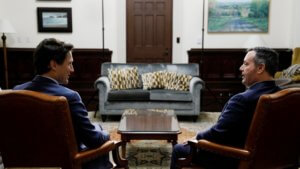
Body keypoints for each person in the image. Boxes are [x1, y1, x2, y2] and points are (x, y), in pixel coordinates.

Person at [170, 47, 280, 169]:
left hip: (235, 158)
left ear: (260, 68)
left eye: (245, 64)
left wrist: (197, 137)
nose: (241, 68)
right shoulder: (285, 96)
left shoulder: (242, 100)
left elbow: (218, 132)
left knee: (178, 149)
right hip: (272, 159)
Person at [13, 38, 112, 169]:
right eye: (69, 64)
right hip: (65, 163)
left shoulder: (15, 93)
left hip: (25, 162)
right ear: (53, 65)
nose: (72, 69)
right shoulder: (70, 97)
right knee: (100, 134)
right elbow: (92, 140)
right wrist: (107, 133)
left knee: (96, 127)